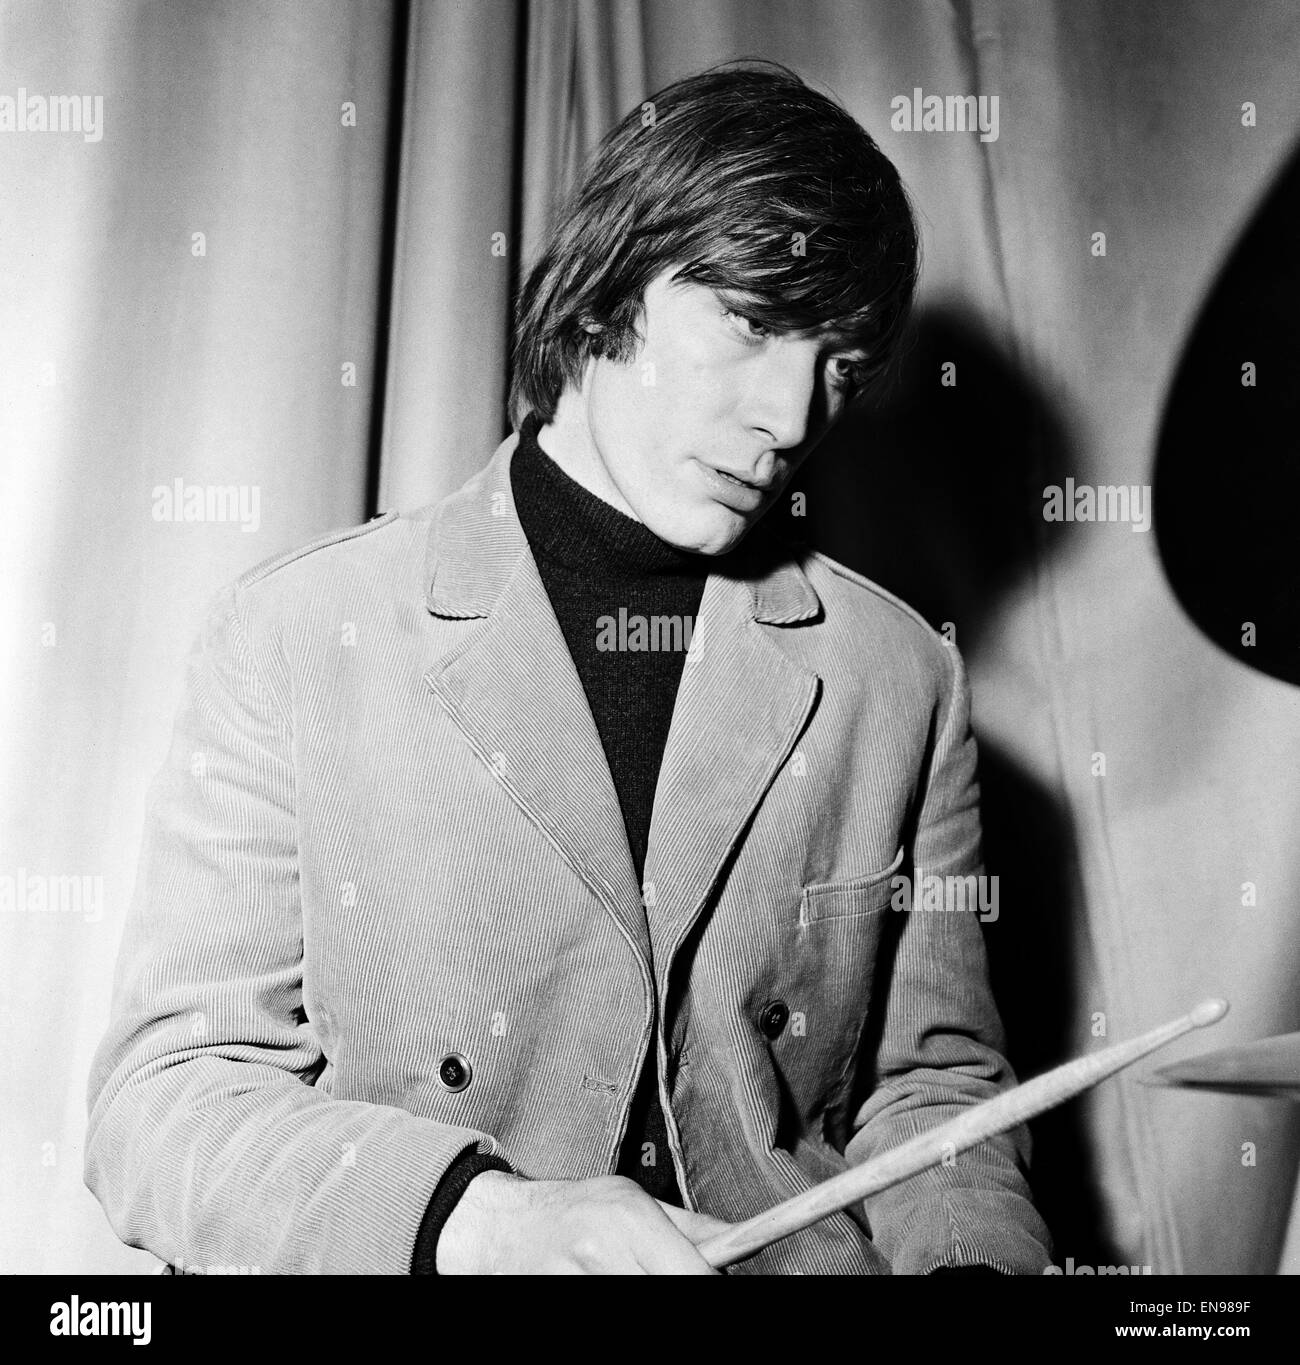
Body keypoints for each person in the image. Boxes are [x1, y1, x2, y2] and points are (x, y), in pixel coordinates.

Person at [86, 61, 1052, 1275]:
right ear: (609, 288)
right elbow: (164, 1102)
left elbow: (934, 1095)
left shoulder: (900, 677)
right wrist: (477, 1221)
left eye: (839, 369)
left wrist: (970, 1263)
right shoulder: (294, 634)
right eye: (753, 322)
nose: (794, 416)